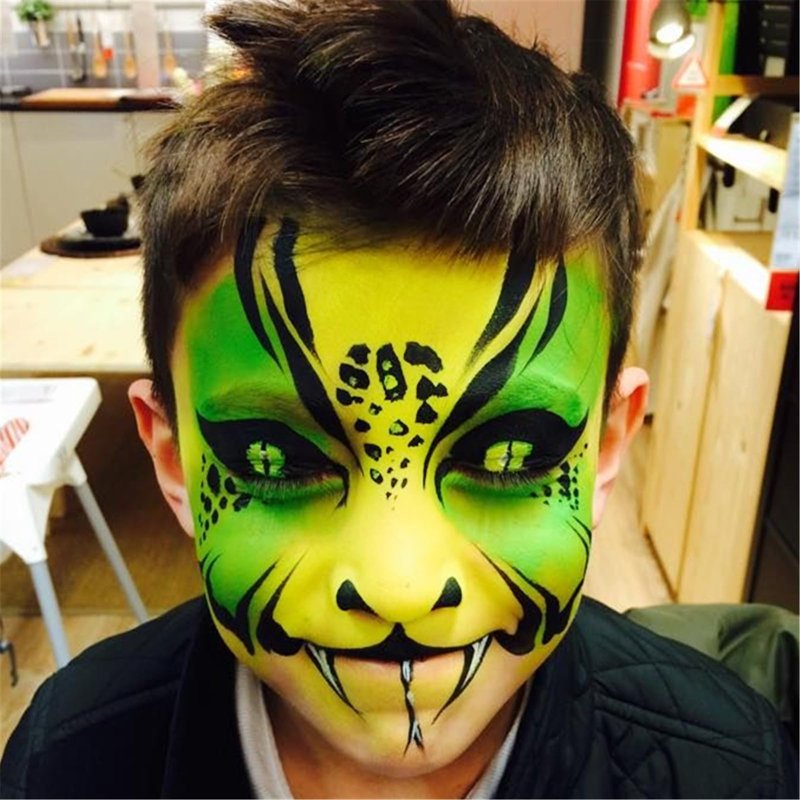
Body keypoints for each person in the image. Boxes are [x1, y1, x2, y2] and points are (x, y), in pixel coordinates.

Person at [1, 2, 796, 798]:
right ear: (175, 462)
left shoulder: (733, 776)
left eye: (510, 456)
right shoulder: (64, 768)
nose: (399, 587)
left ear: (605, 449)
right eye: (275, 460)